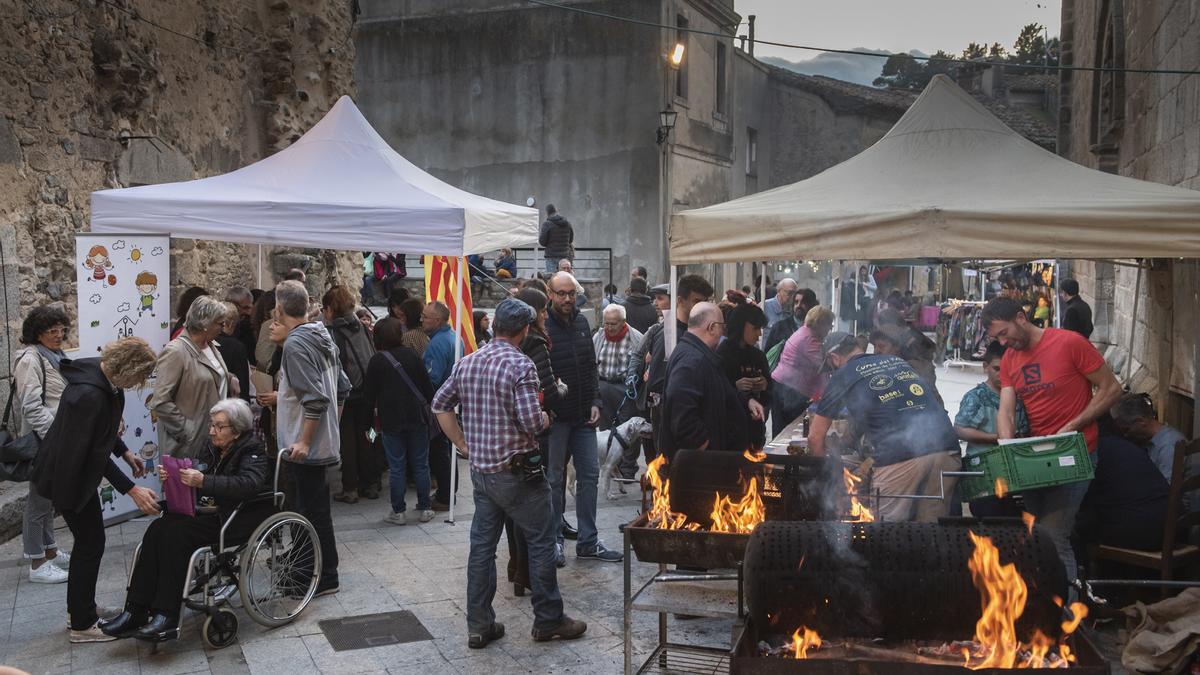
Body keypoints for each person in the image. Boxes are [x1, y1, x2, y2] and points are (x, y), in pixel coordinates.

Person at [431, 298, 587, 648]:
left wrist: (462, 442)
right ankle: (548, 618)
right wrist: (545, 417)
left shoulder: (468, 362)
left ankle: (479, 625)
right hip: (518, 473)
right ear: (524, 330)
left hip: (483, 472)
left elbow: (440, 404)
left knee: (482, 549)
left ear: (495, 326)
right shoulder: (521, 365)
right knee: (541, 542)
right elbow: (531, 421)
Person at [100, 398, 272, 641]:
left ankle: (167, 615)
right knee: (157, 529)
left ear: (237, 429)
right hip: (206, 511)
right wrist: (174, 476)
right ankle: (135, 609)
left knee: (176, 536)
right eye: (212, 425)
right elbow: (197, 469)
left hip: (233, 518)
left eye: (219, 426)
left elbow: (249, 484)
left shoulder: (252, 449)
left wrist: (203, 481)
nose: (211, 431)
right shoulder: (212, 446)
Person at [984, 296, 1122, 582]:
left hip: (1076, 451)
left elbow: (1111, 389)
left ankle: (1067, 606)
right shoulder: (1009, 359)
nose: (1003, 342)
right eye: (997, 338)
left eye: (1004, 333)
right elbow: (1006, 411)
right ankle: (1047, 601)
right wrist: (1007, 449)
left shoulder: (1070, 343)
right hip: (1037, 457)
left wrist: (1074, 425)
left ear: (1020, 318)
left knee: (1053, 537)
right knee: (1038, 536)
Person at [31, 337, 160, 643]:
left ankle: (81, 610)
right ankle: (82, 624)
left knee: (90, 542)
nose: (138, 384)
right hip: (68, 477)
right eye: (139, 376)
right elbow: (92, 453)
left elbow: (101, 430)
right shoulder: (88, 394)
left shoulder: (102, 380)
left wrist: (125, 452)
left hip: (75, 472)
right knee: (90, 544)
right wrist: (132, 489)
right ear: (127, 368)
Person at [807, 332, 961, 523]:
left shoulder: (843, 375)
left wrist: (828, 479)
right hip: (946, 447)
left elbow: (815, 438)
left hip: (900, 455)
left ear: (834, 358)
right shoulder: (896, 361)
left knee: (886, 532)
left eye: (830, 367)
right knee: (930, 529)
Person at [273, 279, 351, 597]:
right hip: (319, 442)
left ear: (279, 309)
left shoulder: (296, 344)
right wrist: (331, 428)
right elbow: (342, 389)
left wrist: (306, 441)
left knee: (307, 513)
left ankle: (318, 576)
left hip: (303, 446)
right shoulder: (321, 335)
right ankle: (319, 571)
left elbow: (316, 399)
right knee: (314, 511)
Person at [544, 271, 621, 565]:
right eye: (561, 293)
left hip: (583, 416)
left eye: (571, 293)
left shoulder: (581, 322)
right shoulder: (543, 325)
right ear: (550, 294)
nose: (567, 299)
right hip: (556, 418)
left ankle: (588, 541)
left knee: (589, 476)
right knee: (554, 479)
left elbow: (590, 365)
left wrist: (595, 401)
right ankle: (554, 540)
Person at [508, 287, 567, 595]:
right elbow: (548, 393)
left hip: (507, 439)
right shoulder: (536, 344)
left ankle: (516, 568)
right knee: (533, 511)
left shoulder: (505, 347)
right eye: (543, 310)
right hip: (533, 436)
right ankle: (530, 577)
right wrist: (560, 388)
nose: (546, 315)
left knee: (513, 511)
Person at [12, 305, 72, 584]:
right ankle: (36, 562)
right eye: (52, 331)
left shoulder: (54, 355)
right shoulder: (30, 359)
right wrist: (54, 436)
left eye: (61, 329)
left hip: (55, 439)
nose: (59, 335)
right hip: (44, 441)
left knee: (47, 498)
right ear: (38, 334)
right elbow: (31, 406)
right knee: (38, 501)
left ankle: (50, 550)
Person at [629, 275, 714, 462]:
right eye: (697, 301)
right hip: (674, 424)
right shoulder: (668, 334)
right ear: (680, 301)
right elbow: (657, 382)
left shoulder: (694, 330)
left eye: (705, 301)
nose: (702, 307)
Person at [660, 303, 758, 459]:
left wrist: (746, 401)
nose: (722, 333)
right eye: (722, 327)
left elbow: (721, 390)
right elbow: (682, 412)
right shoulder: (692, 360)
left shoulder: (699, 354)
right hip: (700, 466)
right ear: (712, 327)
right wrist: (704, 446)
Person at [363, 318, 436, 525]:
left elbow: (369, 397)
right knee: (421, 464)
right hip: (417, 418)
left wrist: (368, 427)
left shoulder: (376, 361)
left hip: (390, 421)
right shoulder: (412, 355)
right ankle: (425, 508)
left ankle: (398, 511)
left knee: (397, 467)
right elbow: (427, 387)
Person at [152, 296, 238, 460]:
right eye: (220, 323)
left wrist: (229, 378)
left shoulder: (210, 345)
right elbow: (161, 401)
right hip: (188, 446)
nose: (223, 328)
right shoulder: (176, 352)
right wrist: (188, 431)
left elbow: (206, 374)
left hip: (210, 439)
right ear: (205, 324)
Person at [954, 341, 1030, 518]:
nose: (1003, 374)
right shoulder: (976, 397)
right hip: (984, 477)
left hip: (1015, 475)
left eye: (1008, 369)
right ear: (985, 366)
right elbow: (959, 429)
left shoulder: (1019, 396)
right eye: (997, 369)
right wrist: (996, 438)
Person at [323, 285, 379, 504]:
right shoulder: (362, 326)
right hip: (368, 391)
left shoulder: (333, 332)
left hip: (347, 394)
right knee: (369, 435)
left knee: (347, 440)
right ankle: (371, 483)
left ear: (330, 308)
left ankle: (350, 488)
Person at [1110, 393, 1193, 511]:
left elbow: (1166, 492)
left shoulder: (1168, 445)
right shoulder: (1151, 441)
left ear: (1141, 421)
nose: (1126, 435)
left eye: (1126, 429)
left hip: (1173, 509)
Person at [593, 304, 643, 478]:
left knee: (629, 429)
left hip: (625, 389)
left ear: (623, 322)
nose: (609, 327)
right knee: (607, 430)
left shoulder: (636, 337)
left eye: (613, 324)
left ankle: (628, 469)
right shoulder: (599, 336)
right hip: (603, 386)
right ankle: (611, 467)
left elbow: (642, 363)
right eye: (606, 323)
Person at [423, 300, 463, 511]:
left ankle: (445, 495)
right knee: (448, 449)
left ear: (437, 320)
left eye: (425, 317)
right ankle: (448, 492)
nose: (421, 320)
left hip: (440, 405)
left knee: (440, 451)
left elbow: (432, 378)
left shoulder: (437, 343)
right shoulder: (454, 337)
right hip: (452, 403)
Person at [771, 306, 834, 437]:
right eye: (829, 325)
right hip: (789, 388)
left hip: (786, 385)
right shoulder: (808, 339)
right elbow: (823, 365)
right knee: (787, 430)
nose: (830, 330)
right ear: (821, 324)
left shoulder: (805, 332)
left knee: (782, 427)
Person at [716, 303, 771, 449]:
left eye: (760, 329)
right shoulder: (721, 354)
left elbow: (770, 392)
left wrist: (765, 385)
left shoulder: (758, 355)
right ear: (742, 326)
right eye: (755, 328)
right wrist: (735, 387)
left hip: (755, 430)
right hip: (730, 434)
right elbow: (716, 393)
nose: (759, 334)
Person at [216, 302, 252, 403]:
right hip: (230, 404)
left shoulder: (204, 342)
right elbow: (242, 386)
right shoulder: (236, 347)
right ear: (232, 324)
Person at [764, 288, 818, 353]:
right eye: (796, 302)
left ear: (811, 305)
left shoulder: (816, 327)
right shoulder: (780, 327)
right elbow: (768, 353)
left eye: (803, 302)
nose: (798, 305)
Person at [225, 286, 258, 366]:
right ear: (233, 305)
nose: (249, 312)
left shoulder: (250, 327)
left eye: (251, 307)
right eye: (245, 308)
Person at [539, 204, 574, 274]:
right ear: (556, 211)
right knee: (564, 277)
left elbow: (542, 242)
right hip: (564, 256)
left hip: (551, 256)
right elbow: (571, 240)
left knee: (552, 277)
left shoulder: (547, 224)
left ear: (547, 213)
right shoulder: (567, 223)